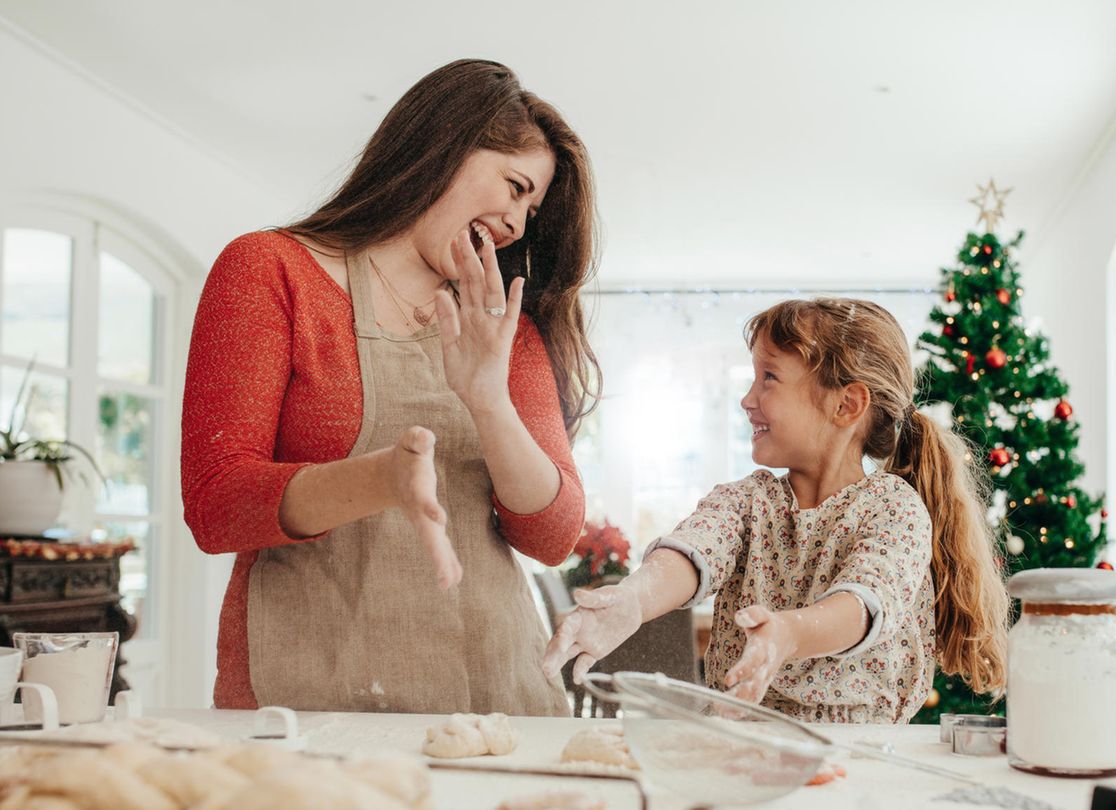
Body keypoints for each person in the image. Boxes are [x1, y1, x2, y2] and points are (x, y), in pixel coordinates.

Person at [181, 59, 599, 715]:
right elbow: (216, 504)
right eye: (515, 186)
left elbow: (552, 536)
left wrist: (488, 400)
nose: (518, 223)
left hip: (490, 691)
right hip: (305, 698)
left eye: (532, 210)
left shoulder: (506, 331)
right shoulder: (272, 270)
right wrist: (382, 481)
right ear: (446, 146)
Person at [543, 298, 1008, 723]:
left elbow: (865, 602)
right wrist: (633, 600)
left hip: (855, 757)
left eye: (769, 377)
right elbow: (692, 552)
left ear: (846, 404)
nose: (747, 399)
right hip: (741, 746)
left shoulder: (893, 508)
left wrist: (788, 634)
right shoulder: (748, 501)